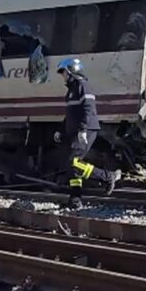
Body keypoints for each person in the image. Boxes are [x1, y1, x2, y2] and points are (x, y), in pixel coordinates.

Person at [52, 58, 119, 209]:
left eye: (63, 72)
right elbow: (70, 115)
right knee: (71, 166)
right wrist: (60, 130)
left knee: (74, 162)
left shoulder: (83, 86)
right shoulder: (72, 90)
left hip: (86, 130)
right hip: (76, 131)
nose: (62, 76)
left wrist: (83, 129)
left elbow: (89, 110)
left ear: (71, 71)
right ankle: (75, 201)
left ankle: (107, 177)